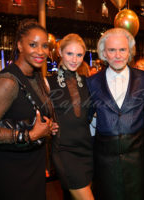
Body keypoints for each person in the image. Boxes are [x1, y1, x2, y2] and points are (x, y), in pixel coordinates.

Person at [0, 19, 58, 200]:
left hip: (33, 163)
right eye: (33, 45)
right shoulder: (7, 82)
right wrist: (29, 135)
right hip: (12, 170)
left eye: (44, 45)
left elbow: (30, 115)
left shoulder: (36, 77)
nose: (41, 51)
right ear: (19, 45)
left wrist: (47, 127)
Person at [86, 27, 144, 200]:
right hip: (105, 163)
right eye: (112, 50)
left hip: (138, 162)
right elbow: (85, 119)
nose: (117, 55)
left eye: (122, 49)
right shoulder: (91, 82)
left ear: (129, 52)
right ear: (104, 53)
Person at [46, 33, 94, 200]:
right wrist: (47, 125)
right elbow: (36, 113)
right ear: (60, 52)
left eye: (79, 55)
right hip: (65, 150)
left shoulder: (88, 82)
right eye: (69, 53)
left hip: (86, 148)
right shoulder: (47, 83)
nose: (74, 59)